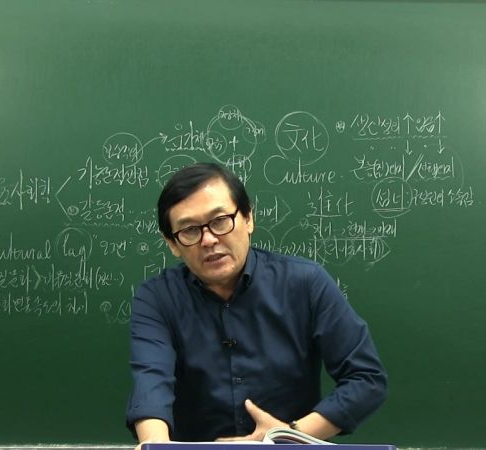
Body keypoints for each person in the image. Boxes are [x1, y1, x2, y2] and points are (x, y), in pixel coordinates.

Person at [125, 162, 387, 444]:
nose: (209, 239)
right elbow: (151, 381)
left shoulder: (305, 282)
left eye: (220, 220)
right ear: (172, 243)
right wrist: (155, 446)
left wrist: (287, 436)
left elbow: (366, 379)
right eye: (189, 230)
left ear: (248, 218)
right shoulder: (157, 297)